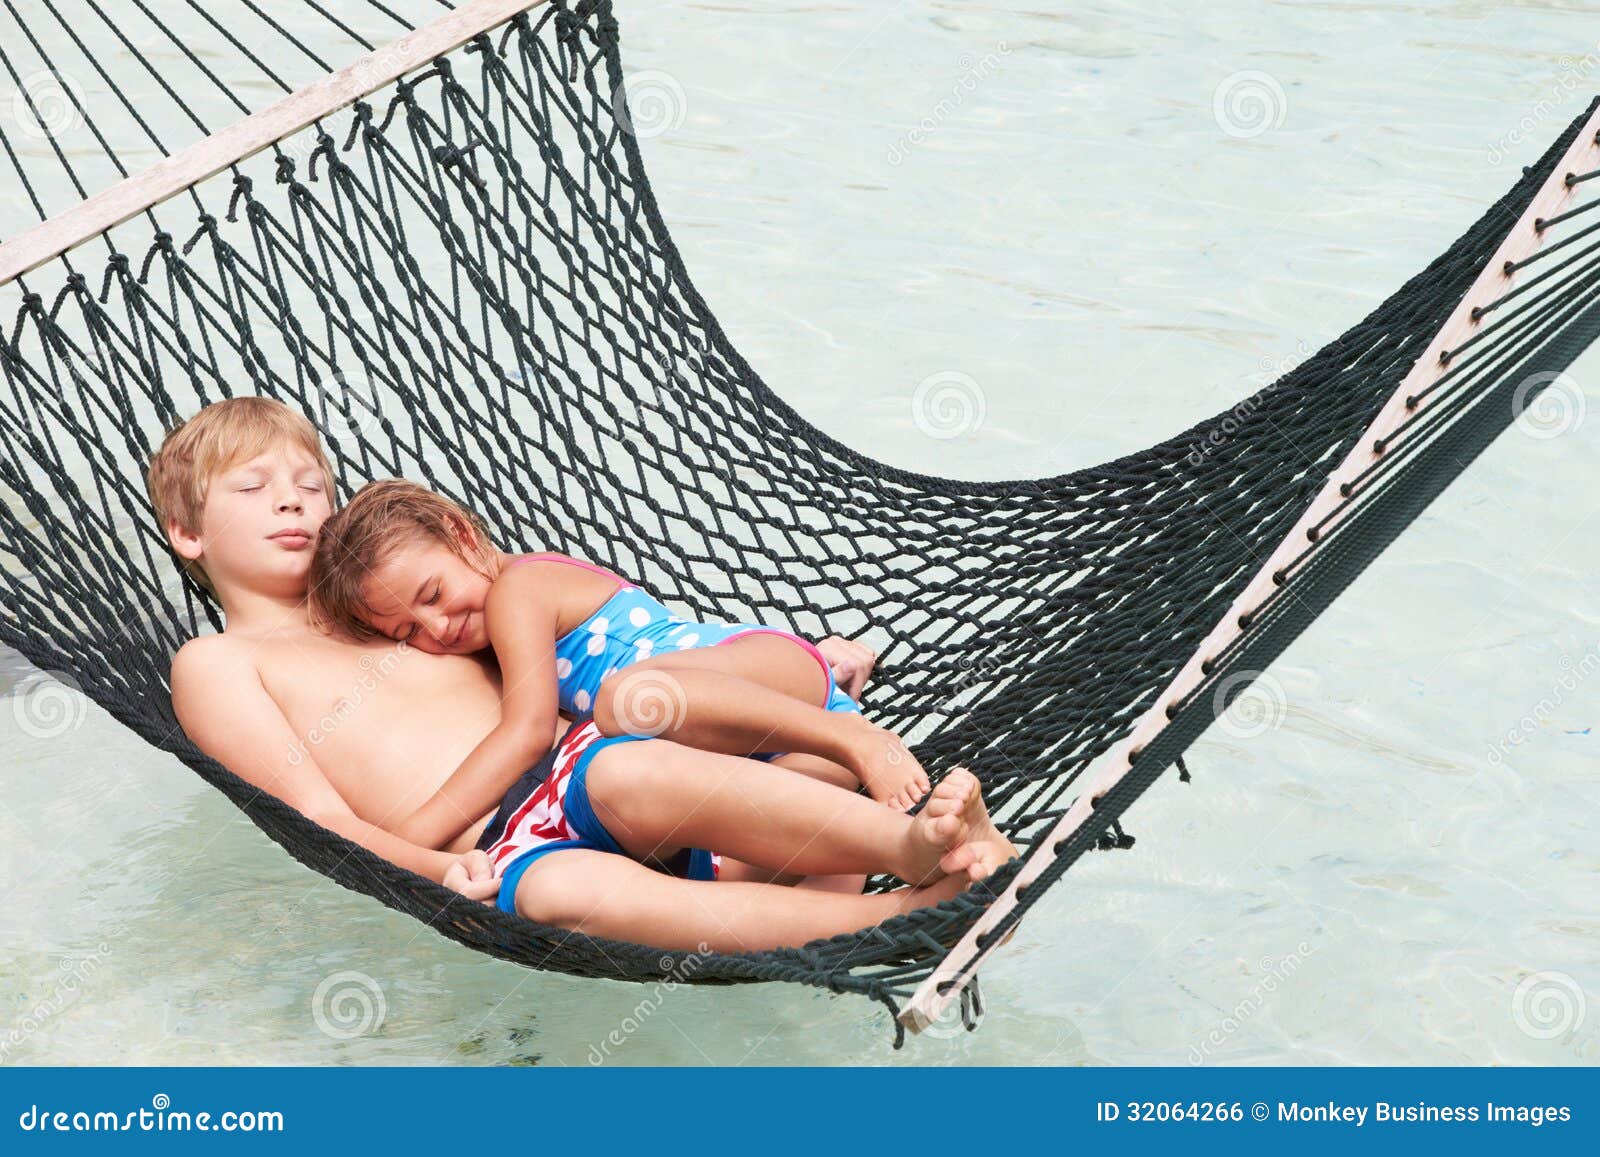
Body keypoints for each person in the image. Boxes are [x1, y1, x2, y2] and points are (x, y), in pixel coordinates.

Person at [149, 398, 1015, 951]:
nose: (294, 500)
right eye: (254, 489)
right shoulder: (219, 662)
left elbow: (565, 652)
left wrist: (800, 662)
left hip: (600, 769)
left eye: (312, 484)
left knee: (630, 762)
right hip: (500, 853)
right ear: (187, 533)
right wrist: (434, 870)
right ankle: (898, 920)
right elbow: (319, 819)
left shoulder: (387, 601)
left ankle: (912, 845)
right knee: (556, 894)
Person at [305, 480, 931, 852]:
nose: (438, 628)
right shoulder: (493, 639)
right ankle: (918, 879)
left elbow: (526, 735)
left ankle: (855, 737)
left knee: (624, 700)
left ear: (461, 534)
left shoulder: (517, 590)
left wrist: (407, 840)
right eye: (409, 632)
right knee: (782, 843)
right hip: (769, 736)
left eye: (434, 595)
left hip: (761, 674)